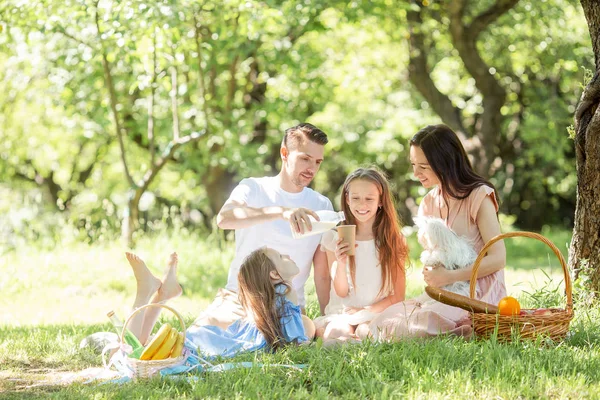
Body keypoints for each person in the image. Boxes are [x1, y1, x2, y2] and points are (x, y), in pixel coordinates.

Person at [361, 124, 506, 340]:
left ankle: (467, 329)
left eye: (424, 166)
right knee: (383, 322)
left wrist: (450, 276)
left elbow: (498, 258)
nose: (416, 173)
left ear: (445, 162)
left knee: (411, 325)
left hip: (476, 295)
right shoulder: (429, 202)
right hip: (444, 294)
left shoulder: (479, 196)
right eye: (413, 165)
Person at [193, 123, 333, 330]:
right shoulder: (253, 188)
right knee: (200, 336)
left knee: (302, 332)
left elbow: (322, 272)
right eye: (305, 158)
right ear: (284, 153)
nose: (312, 168)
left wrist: (325, 317)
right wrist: (280, 212)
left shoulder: (321, 205)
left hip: (288, 307)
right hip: (240, 300)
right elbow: (224, 218)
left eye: (318, 162)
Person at [122, 247, 312, 362]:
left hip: (210, 340)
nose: (287, 255)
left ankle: (160, 293)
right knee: (136, 353)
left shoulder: (271, 301)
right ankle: (146, 293)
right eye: (280, 256)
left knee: (141, 351)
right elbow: (294, 343)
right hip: (211, 344)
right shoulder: (286, 293)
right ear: (274, 275)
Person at [314, 167, 408, 342]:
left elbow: (398, 295)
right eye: (355, 198)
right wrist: (340, 263)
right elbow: (341, 292)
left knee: (368, 333)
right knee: (335, 335)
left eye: (369, 199)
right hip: (345, 312)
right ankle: (350, 339)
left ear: (380, 201)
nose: (362, 205)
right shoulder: (334, 237)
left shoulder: (393, 240)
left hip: (377, 311)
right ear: (347, 199)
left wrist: (366, 310)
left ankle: (359, 339)